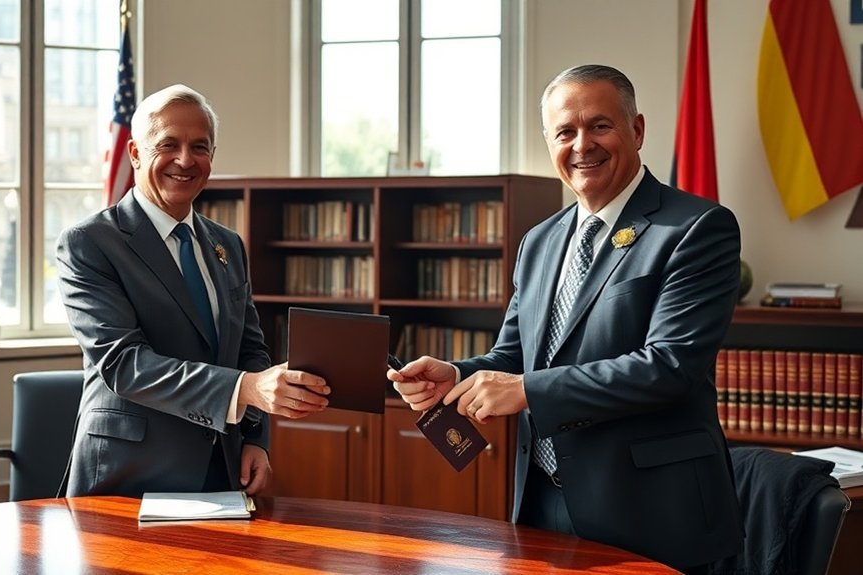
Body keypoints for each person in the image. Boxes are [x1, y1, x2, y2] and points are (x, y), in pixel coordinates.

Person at [388, 64, 743, 573]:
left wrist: (528, 390)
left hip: (653, 512)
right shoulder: (539, 241)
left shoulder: (696, 227)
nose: (582, 145)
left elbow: (669, 366)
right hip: (542, 503)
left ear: (637, 130)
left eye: (599, 125)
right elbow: (515, 356)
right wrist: (457, 375)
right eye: (565, 132)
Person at [56, 84, 330, 498]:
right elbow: (124, 365)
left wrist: (255, 437)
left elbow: (250, 350)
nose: (185, 160)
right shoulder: (90, 243)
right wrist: (246, 389)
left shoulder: (227, 245)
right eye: (169, 144)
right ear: (135, 153)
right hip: (127, 478)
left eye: (199, 147)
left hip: (223, 471)